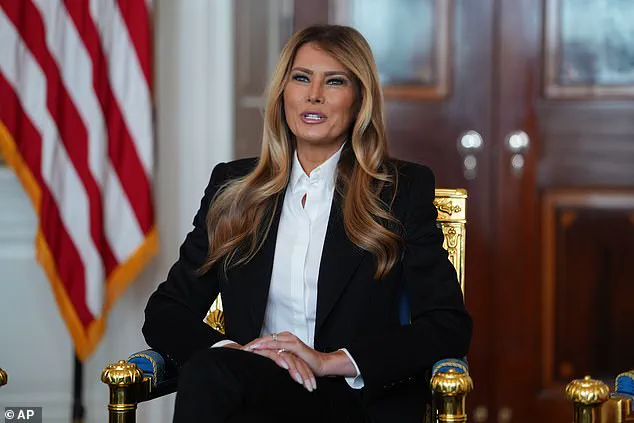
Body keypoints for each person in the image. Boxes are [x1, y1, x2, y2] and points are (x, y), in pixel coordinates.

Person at [142, 24, 472, 423]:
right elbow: (166, 311)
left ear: (359, 100)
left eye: (334, 81)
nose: (313, 94)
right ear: (283, 92)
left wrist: (330, 361)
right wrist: (236, 353)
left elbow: (446, 324)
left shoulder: (400, 190)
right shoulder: (234, 188)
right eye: (301, 78)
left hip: (353, 403)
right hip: (253, 386)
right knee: (211, 373)